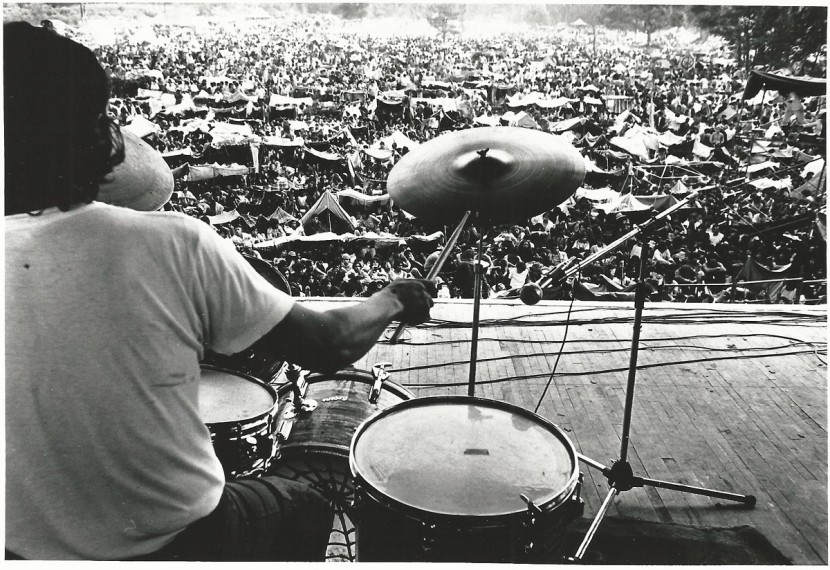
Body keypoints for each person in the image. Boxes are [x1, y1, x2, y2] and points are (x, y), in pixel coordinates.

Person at [5, 23, 435, 561]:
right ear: (99, 137)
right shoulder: (171, 243)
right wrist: (393, 298)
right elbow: (329, 344)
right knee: (303, 503)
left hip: (18, 550)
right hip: (173, 541)